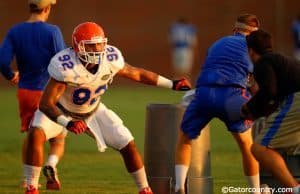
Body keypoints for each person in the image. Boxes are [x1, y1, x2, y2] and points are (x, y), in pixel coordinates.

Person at [23, 21, 191, 194]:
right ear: (78, 47)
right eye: (91, 46)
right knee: (36, 134)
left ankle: (145, 189)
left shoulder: (110, 59)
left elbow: (137, 73)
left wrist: (171, 84)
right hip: (61, 110)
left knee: (128, 144)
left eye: (99, 44)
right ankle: (31, 186)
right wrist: (67, 123)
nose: (97, 49)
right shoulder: (66, 66)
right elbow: (45, 104)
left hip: (93, 111)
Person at [174, 14, 261, 194]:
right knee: (247, 146)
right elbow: (256, 83)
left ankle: (179, 186)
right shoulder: (254, 47)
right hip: (232, 97)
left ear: (235, 30)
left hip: (204, 94)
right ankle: (256, 191)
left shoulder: (218, 43)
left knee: (184, 139)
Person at [0, 0, 66, 190]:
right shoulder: (52, 31)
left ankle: (27, 178)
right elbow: (63, 61)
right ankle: (51, 164)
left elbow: (3, 61)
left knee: (32, 136)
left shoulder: (15, 31)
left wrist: (11, 75)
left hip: (26, 92)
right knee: (58, 137)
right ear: (47, 8)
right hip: (49, 93)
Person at [242, 29, 300, 194]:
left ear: (251, 50)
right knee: (291, 148)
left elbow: (269, 91)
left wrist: (249, 108)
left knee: (260, 148)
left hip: (297, 100)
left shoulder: (263, 62)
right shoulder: (281, 60)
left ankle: (294, 189)